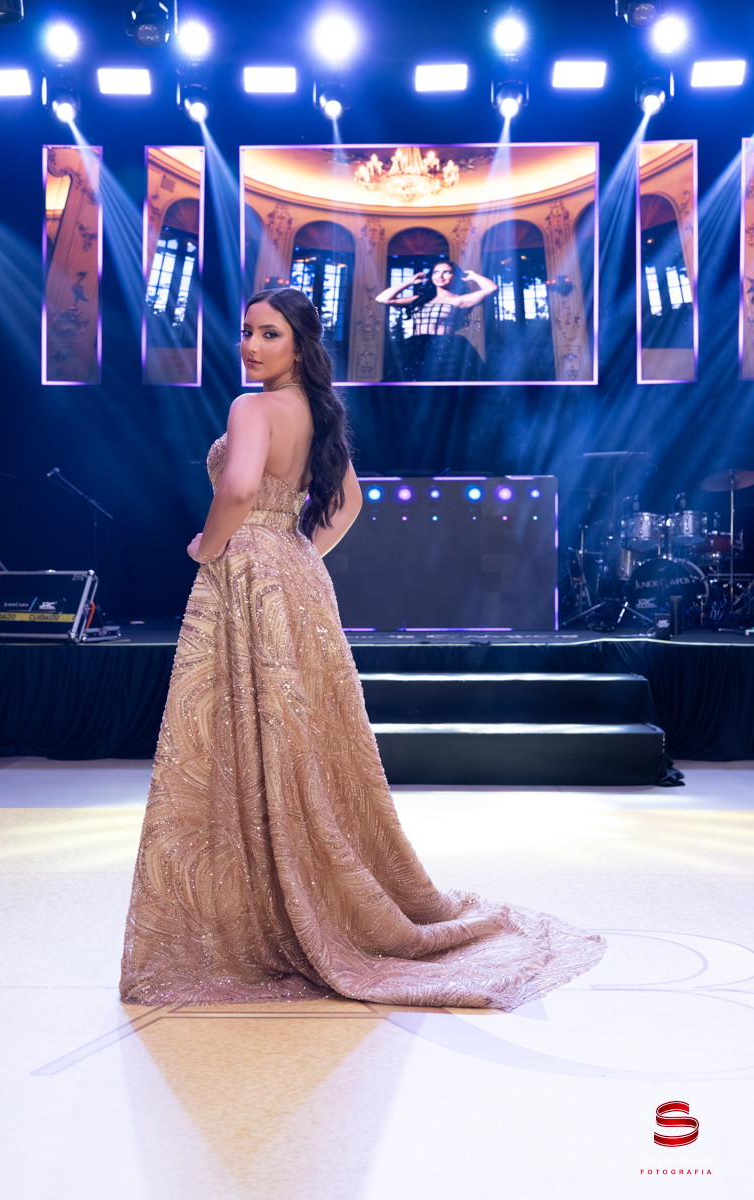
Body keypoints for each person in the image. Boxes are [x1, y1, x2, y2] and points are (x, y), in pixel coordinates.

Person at [120, 287, 605, 1008]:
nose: (250, 346)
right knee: (296, 735)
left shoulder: (252, 408)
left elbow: (241, 486)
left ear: (299, 344)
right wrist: (297, 555)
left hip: (244, 573)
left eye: (269, 334)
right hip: (294, 575)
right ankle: (292, 900)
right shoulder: (318, 412)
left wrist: (208, 546)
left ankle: (254, 917)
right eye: (247, 332)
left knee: (237, 732)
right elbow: (347, 504)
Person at [376, 260, 498, 382]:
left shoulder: (459, 300)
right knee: (410, 383)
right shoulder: (420, 299)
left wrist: (473, 276)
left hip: (445, 346)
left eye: (446, 272)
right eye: (436, 272)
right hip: (416, 346)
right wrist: (409, 282)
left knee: (443, 383)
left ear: (455, 276)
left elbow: (492, 288)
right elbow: (382, 299)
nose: (440, 276)